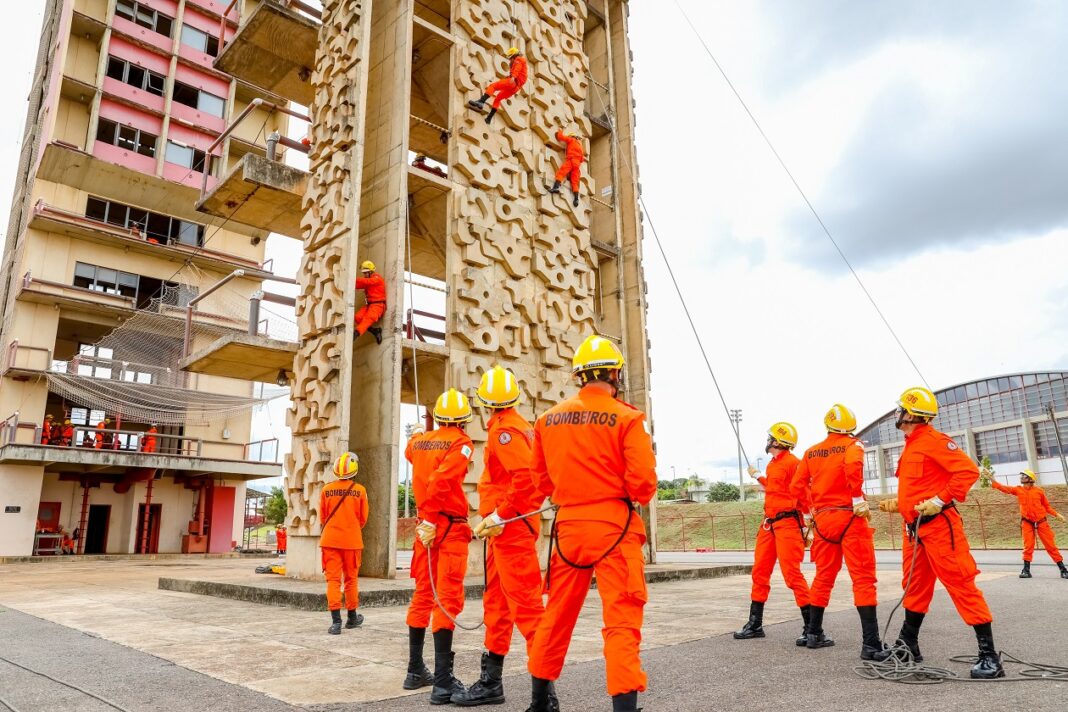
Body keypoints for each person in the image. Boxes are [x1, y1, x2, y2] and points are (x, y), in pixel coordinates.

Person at [525, 334, 657, 712]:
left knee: (557, 615)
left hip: (568, 529)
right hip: (615, 527)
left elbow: (541, 482)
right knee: (621, 620)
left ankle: (539, 703)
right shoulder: (629, 418)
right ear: (615, 374)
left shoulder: (548, 420)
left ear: (579, 376)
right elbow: (644, 486)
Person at [877, 386, 1004, 678]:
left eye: (900, 409)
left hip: (940, 528)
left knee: (961, 583)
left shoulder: (934, 441)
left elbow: (968, 472)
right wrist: (901, 505)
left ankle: (989, 656)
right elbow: (922, 484)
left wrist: (939, 500)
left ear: (910, 414)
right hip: (915, 530)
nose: (897, 414)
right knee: (914, 587)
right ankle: (907, 645)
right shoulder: (911, 444)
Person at [451, 366, 546, 707]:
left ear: (486, 404)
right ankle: (491, 683)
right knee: (497, 606)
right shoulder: (522, 427)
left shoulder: (505, 432)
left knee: (528, 609)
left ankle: (544, 697)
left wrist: (498, 514)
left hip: (511, 529)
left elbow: (525, 480)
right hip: (507, 530)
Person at [791, 404, 887, 660]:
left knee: (823, 576)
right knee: (864, 579)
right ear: (851, 427)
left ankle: (813, 633)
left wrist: (810, 514)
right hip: (849, 516)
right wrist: (857, 499)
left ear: (828, 426)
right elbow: (853, 469)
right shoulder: (853, 446)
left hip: (823, 520)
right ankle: (871, 645)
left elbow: (797, 486)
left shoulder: (811, 452)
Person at [404, 389, 476, 703]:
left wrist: (418, 433)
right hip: (445, 527)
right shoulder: (461, 443)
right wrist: (433, 519)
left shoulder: (418, 443)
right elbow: (442, 481)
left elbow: (411, 452)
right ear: (462, 421)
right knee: (447, 597)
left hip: (424, 528)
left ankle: (414, 669)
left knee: (422, 594)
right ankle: (443, 682)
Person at [734, 421, 812, 645]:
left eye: (771, 437)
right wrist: (758, 476)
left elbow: (803, 492)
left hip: (788, 523)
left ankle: (811, 626)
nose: (768, 440)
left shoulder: (793, 463)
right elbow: (776, 488)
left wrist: (808, 521)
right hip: (770, 523)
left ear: (778, 441)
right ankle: (755, 624)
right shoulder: (774, 464)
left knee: (792, 574)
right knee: (760, 572)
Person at [320, 451, 369, 634]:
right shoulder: (360, 490)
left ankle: (335, 622)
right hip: (352, 541)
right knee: (351, 580)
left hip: (330, 541)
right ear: (354, 471)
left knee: (332, 581)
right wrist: (352, 527)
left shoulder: (326, 490)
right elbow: (363, 518)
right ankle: (352, 617)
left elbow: (323, 516)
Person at [991, 469, 1067, 579]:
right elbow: (1004, 488)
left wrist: (1056, 515)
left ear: (1030, 479)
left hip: (1041, 522)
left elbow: (1046, 506)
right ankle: (1026, 570)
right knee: (1028, 546)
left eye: (1024, 476)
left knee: (1050, 546)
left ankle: (1063, 570)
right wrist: (992, 480)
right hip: (1027, 522)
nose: (1021, 477)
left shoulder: (1039, 491)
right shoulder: (1018, 489)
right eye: (1021, 475)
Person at [467, 47, 528, 124]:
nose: (510, 60)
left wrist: (513, 77)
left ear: (514, 56)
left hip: (512, 82)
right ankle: (489, 119)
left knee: (493, 86)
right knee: (498, 99)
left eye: (510, 58)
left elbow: (517, 69)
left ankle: (481, 101)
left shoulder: (518, 59)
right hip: (515, 88)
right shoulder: (521, 62)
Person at [547, 131, 584, 207]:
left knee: (561, 173)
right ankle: (576, 199)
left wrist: (560, 130)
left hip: (571, 160)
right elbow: (582, 159)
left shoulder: (571, 140)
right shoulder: (580, 146)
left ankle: (556, 187)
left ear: (571, 136)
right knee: (574, 182)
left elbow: (560, 137)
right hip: (577, 165)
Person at [354, 260, 386, 344]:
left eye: (366, 273)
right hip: (369, 305)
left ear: (371, 272)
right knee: (358, 317)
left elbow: (367, 282)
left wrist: (353, 279)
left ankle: (356, 334)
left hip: (378, 306)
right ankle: (375, 331)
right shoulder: (368, 279)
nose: (364, 275)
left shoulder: (377, 278)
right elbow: (358, 284)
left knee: (367, 319)